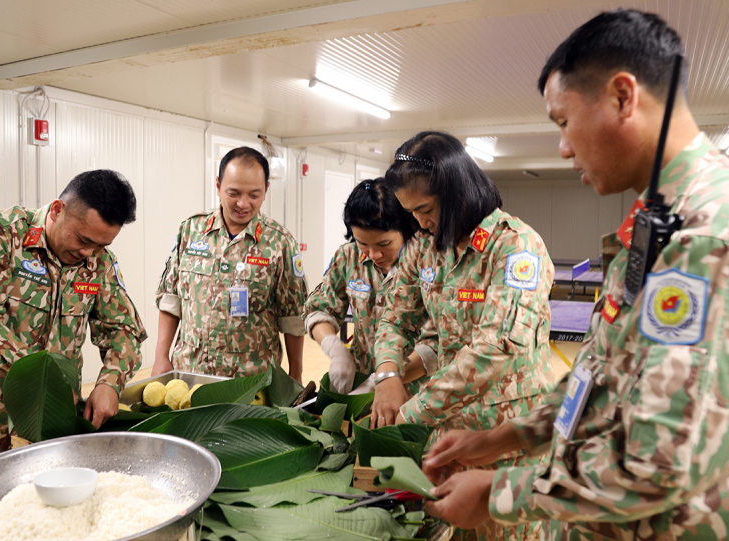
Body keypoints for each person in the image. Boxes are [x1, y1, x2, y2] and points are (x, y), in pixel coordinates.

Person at [422, 9, 729, 540]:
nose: (563, 147)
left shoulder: (700, 239)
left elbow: (656, 465)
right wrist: (505, 436)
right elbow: (606, 376)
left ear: (623, 97)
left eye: (564, 122)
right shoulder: (659, 221)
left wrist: (499, 493)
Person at [374, 131, 556, 541]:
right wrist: (388, 375)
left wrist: (413, 411)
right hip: (449, 443)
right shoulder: (425, 248)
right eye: (411, 212)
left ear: (457, 190)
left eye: (425, 208)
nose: (419, 221)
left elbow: (495, 350)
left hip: (508, 443)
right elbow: (393, 317)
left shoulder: (515, 247)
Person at [0, 169, 147, 477]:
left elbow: (123, 330)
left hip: (50, 427)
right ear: (58, 210)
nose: (89, 253)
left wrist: (110, 382)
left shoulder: (100, 263)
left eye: (101, 245)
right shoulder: (0, 234)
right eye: (84, 240)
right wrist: (43, 382)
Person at [154, 147, 307, 381]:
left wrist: (295, 375)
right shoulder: (191, 231)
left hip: (250, 381)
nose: (243, 204)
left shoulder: (280, 243)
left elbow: (293, 317)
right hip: (189, 373)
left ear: (266, 189)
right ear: (218, 185)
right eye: (233, 193)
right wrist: (160, 357)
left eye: (254, 195)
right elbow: (171, 299)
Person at [303, 178, 437, 395]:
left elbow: (437, 343)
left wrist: (385, 379)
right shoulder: (348, 257)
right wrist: (335, 350)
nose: (374, 255)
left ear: (404, 229)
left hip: (414, 392)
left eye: (384, 244)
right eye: (362, 243)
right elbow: (317, 308)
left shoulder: (428, 262)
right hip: (360, 383)